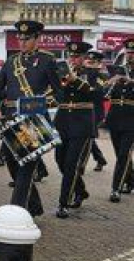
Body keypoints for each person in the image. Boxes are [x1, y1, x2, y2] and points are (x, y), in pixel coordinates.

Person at [0, 20, 62, 217]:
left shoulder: (47, 60)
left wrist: (41, 103)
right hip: (11, 120)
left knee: (27, 167)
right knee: (12, 163)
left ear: (38, 38)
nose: (21, 43)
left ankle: (16, 212)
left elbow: (59, 92)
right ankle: (35, 205)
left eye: (26, 39)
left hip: (33, 121)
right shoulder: (11, 61)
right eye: (19, 39)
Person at [53, 41, 103, 219]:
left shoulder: (93, 74)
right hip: (63, 122)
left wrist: (77, 81)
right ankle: (80, 190)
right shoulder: (61, 73)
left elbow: (97, 95)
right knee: (59, 160)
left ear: (84, 58)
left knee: (71, 164)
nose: (73, 59)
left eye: (76, 56)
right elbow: (57, 96)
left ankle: (63, 203)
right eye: (71, 56)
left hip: (81, 124)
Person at [106, 39, 134, 202]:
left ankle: (115, 188)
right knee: (120, 154)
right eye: (128, 53)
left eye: (133, 53)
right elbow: (105, 94)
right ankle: (130, 179)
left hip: (131, 119)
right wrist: (110, 82)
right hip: (115, 118)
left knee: (124, 154)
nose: (130, 56)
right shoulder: (118, 72)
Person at [84, 50, 108, 172]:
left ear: (99, 63)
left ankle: (81, 166)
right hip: (83, 111)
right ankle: (100, 159)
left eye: (93, 62)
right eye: (89, 61)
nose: (89, 63)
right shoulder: (83, 73)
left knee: (88, 137)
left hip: (95, 112)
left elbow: (99, 93)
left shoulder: (101, 76)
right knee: (87, 137)